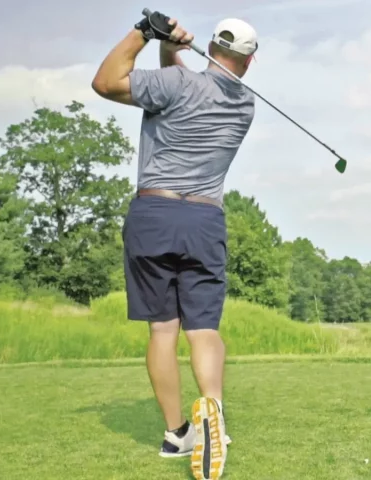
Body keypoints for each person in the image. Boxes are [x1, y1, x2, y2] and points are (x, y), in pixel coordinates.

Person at [90, 11, 258, 480]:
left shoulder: (175, 87)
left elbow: (105, 82)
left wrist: (145, 33)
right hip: (204, 219)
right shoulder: (244, 104)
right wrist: (172, 49)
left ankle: (177, 433)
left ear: (211, 45)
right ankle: (214, 415)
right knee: (202, 329)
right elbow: (180, 80)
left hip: (154, 214)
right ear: (250, 60)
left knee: (162, 331)